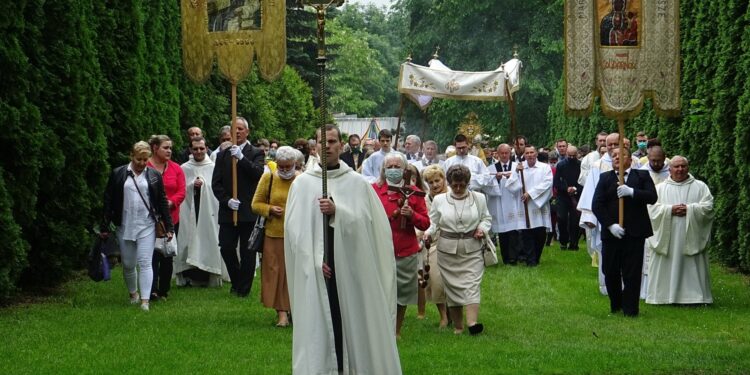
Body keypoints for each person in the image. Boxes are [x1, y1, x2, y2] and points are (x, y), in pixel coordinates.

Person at [284, 124, 402, 374]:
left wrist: (339, 212)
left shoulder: (357, 184)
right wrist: (315, 260)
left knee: (353, 326)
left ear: (341, 145)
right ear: (314, 146)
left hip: (351, 268)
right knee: (320, 327)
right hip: (318, 272)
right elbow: (295, 233)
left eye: (333, 141)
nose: (327, 146)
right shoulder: (302, 185)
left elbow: (370, 227)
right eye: (322, 141)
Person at [101, 141, 174, 312]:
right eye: (138, 159)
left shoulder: (154, 176)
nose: (142, 163)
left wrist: (169, 226)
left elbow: (162, 201)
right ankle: (133, 293)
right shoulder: (118, 174)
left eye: (145, 159)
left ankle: (145, 301)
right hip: (125, 224)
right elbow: (108, 200)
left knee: (145, 262)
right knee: (128, 263)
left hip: (147, 224)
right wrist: (104, 224)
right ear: (131, 156)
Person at [423, 165, 492, 335]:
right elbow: (433, 223)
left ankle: (472, 323)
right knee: (452, 287)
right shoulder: (439, 200)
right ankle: (458, 326)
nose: (459, 189)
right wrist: (428, 233)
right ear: (450, 183)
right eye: (455, 185)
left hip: (472, 248)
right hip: (447, 250)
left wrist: (482, 228)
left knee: (472, 284)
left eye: (462, 185)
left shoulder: (479, 198)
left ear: (468, 183)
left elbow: (487, 218)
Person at [592, 148, 657, 317]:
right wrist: (610, 225)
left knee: (632, 272)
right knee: (610, 270)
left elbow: (652, 197)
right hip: (612, 234)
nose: (617, 158)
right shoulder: (605, 178)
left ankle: (631, 309)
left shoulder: (641, 176)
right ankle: (616, 304)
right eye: (613, 155)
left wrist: (632, 192)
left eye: (622, 155)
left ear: (631, 159)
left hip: (635, 233)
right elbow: (597, 205)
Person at [372, 152, 430, 338]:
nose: (393, 170)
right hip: (379, 248)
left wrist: (411, 215)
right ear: (383, 170)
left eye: (397, 167)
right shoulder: (374, 190)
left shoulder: (414, 193)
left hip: (405, 249)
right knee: (379, 290)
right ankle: (380, 327)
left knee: (402, 291)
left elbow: (425, 223)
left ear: (405, 170)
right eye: (389, 167)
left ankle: (395, 330)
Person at [646, 156, 714, 305]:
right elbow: (651, 209)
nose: (680, 169)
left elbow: (708, 206)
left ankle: (695, 297)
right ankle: (662, 296)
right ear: (669, 169)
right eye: (676, 167)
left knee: (692, 264)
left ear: (688, 168)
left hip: (691, 235)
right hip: (667, 238)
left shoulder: (700, 187)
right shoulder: (659, 189)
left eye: (683, 166)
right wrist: (670, 210)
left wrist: (690, 209)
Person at [212, 117, 266, 297]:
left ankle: (243, 289)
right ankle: (236, 280)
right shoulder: (222, 155)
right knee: (226, 247)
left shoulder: (256, 152)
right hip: (229, 210)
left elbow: (257, 174)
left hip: (248, 211)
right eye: (234, 128)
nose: (237, 132)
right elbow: (216, 183)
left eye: (241, 129)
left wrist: (241, 158)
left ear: (247, 132)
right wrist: (226, 200)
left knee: (247, 251)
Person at [251, 146, 299, 327]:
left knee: (292, 274)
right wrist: (270, 209)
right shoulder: (268, 177)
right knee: (274, 273)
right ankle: (281, 313)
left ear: (295, 164)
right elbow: (255, 204)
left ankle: (293, 308)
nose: (285, 170)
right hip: (273, 234)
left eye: (289, 166)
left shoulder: (302, 180)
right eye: (282, 167)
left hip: (296, 236)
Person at [175, 136, 225, 287]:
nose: (198, 151)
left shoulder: (213, 167)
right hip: (189, 210)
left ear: (206, 148)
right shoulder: (184, 168)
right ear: (190, 150)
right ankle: (188, 276)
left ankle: (209, 274)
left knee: (208, 238)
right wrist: (192, 185)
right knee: (186, 239)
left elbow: (216, 189)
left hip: (209, 212)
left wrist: (204, 185)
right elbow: (180, 189)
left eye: (201, 148)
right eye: (195, 149)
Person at [147, 135, 186, 301]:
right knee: (152, 255)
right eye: (165, 147)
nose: (169, 151)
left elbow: (182, 191)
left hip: (171, 218)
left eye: (170, 148)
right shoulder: (146, 166)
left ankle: (164, 289)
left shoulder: (176, 168)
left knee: (167, 254)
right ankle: (151, 289)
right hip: (150, 219)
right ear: (155, 148)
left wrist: (172, 202)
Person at [506, 146, 553, 266]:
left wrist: (531, 194)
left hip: (539, 205)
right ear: (524, 155)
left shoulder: (544, 167)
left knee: (539, 234)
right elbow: (511, 185)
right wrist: (516, 172)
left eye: (532, 152)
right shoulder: (520, 167)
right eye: (527, 153)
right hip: (524, 206)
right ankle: (530, 260)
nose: (530, 155)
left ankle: (536, 257)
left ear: (536, 153)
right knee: (527, 233)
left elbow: (547, 184)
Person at [418, 165, 450, 327]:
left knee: (452, 281)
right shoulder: (425, 200)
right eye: (431, 182)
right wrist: (420, 238)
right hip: (432, 244)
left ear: (444, 179)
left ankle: (453, 312)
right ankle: (443, 315)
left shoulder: (453, 195)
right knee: (435, 280)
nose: (435, 185)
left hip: (452, 241)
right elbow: (422, 223)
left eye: (437, 180)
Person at [481, 143, 522, 265]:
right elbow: (486, 187)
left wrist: (513, 177)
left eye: (506, 153)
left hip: (513, 202)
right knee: (503, 233)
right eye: (502, 153)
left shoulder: (516, 167)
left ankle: (514, 257)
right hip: (499, 203)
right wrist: (496, 179)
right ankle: (506, 258)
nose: (504, 155)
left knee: (514, 231)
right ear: (497, 154)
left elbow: (521, 184)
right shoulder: (491, 169)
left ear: (510, 153)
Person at [554, 146, 583, 250]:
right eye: (569, 156)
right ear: (566, 154)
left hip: (576, 195)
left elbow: (583, 181)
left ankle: (574, 243)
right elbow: (556, 182)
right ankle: (563, 241)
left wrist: (575, 189)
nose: (571, 158)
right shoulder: (561, 165)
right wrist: (566, 188)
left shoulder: (581, 165)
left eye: (573, 156)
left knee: (575, 221)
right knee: (562, 218)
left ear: (577, 154)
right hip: (563, 196)